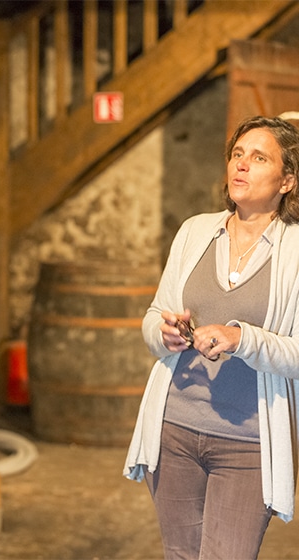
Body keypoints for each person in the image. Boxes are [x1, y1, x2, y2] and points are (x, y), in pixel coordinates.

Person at [124, 115, 299, 559]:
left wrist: (242, 339)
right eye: (237, 154)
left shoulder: (295, 249)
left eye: (259, 158)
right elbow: (151, 319)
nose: (241, 165)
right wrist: (164, 334)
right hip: (175, 431)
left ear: (287, 180)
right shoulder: (195, 231)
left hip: (247, 444)